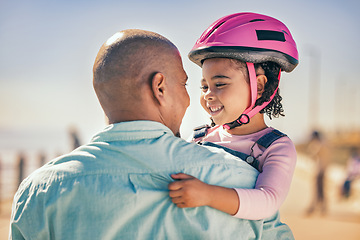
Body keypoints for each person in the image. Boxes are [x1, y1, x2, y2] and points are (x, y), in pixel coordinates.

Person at [10, 29, 293, 239]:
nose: (197, 99)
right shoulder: (241, 180)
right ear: (160, 88)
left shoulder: (37, 191)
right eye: (191, 85)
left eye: (217, 84)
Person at [168, 12, 298, 220]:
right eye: (204, 86)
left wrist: (208, 195)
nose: (208, 94)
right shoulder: (199, 138)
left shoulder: (275, 147)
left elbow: (267, 201)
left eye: (220, 84)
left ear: (260, 86)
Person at [305, 130, 329, 215]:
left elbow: (313, 155)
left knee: (317, 190)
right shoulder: (324, 144)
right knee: (321, 190)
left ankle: (313, 208)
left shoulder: (317, 144)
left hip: (319, 170)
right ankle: (322, 208)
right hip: (322, 170)